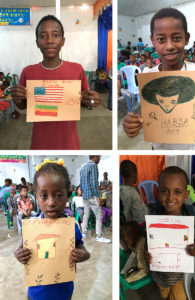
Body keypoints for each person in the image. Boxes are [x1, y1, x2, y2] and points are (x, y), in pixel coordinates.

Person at [122, 7, 195, 150]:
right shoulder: (149, 75)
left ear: (187, 38)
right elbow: (149, 110)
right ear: (153, 40)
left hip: (192, 147)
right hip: (159, 147)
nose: (169, 46)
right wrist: (134, 121)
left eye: (177, 38)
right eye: (161, 39)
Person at [10, 15, 100, 150]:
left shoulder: (77, 69)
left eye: (56, 35)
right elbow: (24, 106)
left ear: (63, 41)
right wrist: (17, 100)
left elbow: (84, 101)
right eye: (43, 36)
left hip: (70, 144)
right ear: (37, 42)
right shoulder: (28, 72)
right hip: (39, 144)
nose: (50, 41)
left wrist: (92, 101)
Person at [14, 161, 90, 300]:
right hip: (36, 294)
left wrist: (84, 255)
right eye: (44, 196)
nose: (51, 202)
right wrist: (19, 254)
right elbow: (20, 249)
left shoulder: (71, 226)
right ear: (36, 197)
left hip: (64, 292)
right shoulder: (32, 228)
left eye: (58, 195)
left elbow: (81, 246)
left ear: (68, 195)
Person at [146, 166, 195, 300]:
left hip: (181, 274)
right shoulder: (154, 215)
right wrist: (146, 253)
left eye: (177, 192)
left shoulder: (193, 213)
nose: (170, 198)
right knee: (164, 295)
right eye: (164, 191)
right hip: (160, 274)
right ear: (158, 192)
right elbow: (148, 241)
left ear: (186, 195)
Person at [80, 155, 111, 243]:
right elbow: (94, 183)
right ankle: (99, 236)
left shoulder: (83, 167)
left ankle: (84, 233)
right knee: (99, 215)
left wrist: (84, 193)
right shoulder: (93, 166)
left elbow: (81, 184)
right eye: (99, 157)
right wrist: (98, 197)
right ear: (96, 156)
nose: (100, 159)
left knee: (86, 214)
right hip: (92, 196)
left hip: (85, 196)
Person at [120, 160, 147, 228]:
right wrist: (129, 227)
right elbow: (126, 212)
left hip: (143, 220)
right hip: (139, 224)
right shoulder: (128, 193)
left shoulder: (132, 189)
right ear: (134, 175)